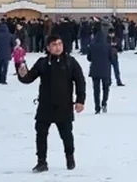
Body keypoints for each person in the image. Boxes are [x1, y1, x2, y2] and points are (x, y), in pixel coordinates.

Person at [17, 34, 86, 173]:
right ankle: (41, 162)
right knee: (41, 134)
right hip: (45, 105)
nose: (58, 47)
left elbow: (80, 81)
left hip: (64, 106)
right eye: (54, 45)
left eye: (60, 44)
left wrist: (80, 100)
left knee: (66, 134)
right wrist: (22, 74)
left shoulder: (70, 62)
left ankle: (70, 157)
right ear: (48, 47)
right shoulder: (42, 62)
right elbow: (29, 78)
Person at [85, 30, 111, 114]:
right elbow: (111, 57)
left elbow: (89, 58)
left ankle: (97, 107)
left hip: (95, 70)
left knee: (96, 90)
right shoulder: (108, 46)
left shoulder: (92, 46)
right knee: (105, 88)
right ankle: (104, 103)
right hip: (105, 69)